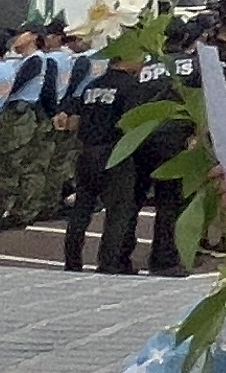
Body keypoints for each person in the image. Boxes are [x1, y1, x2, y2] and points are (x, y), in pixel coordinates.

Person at [63, 36, 179, 275]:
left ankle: (72, 261)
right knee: (119, 212)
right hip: (115, 152)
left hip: (87, 152)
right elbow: (131, 122)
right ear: (128, 59)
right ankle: (109, 263)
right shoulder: (130, 87)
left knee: (82, 209)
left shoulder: (92, 85)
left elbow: (76, 120)